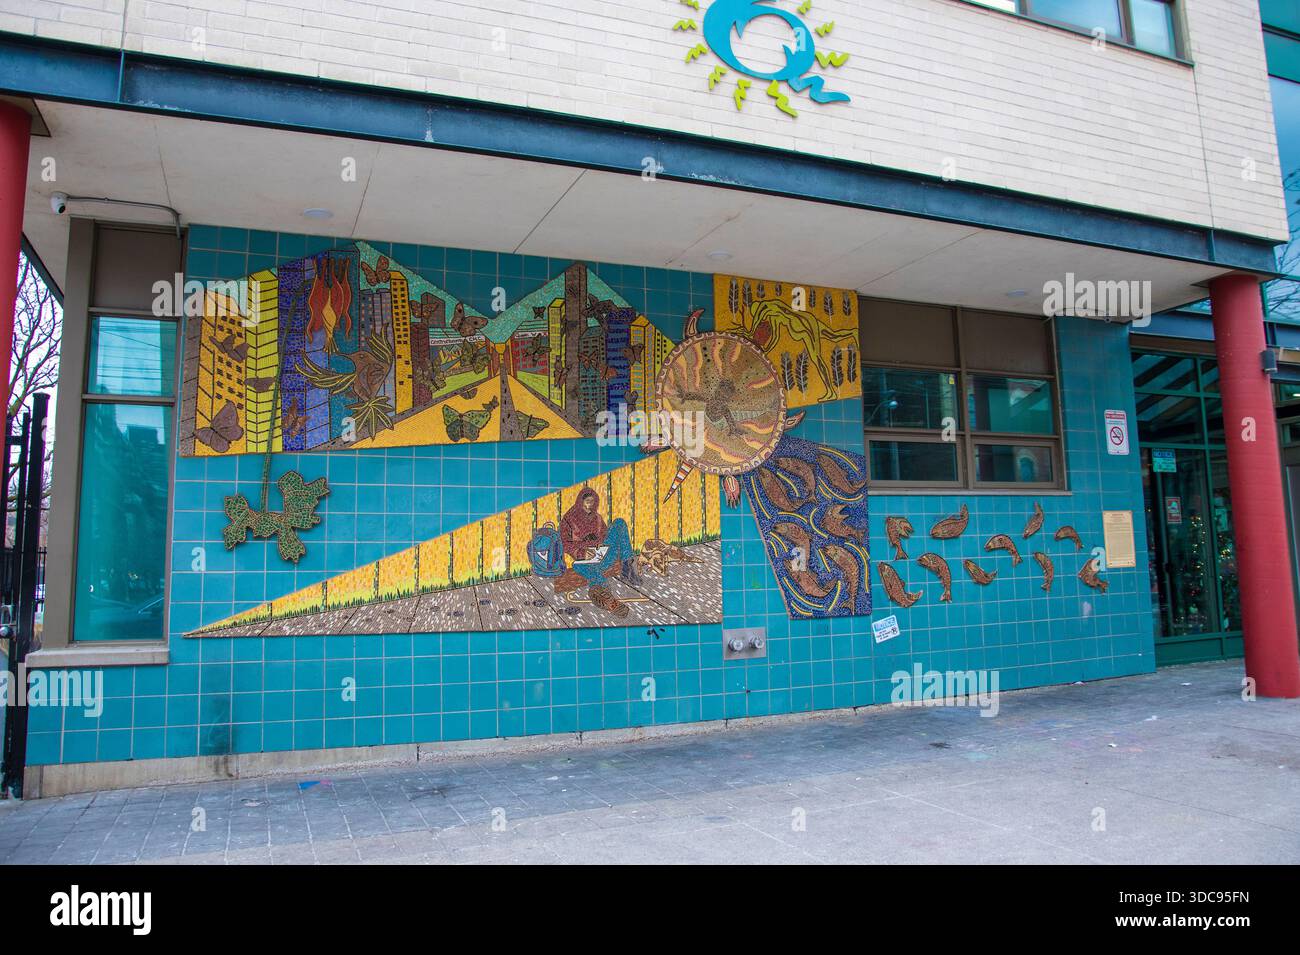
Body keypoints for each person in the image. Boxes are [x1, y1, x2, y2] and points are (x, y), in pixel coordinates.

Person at [555, 487, 642, 615]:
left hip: (602, 554)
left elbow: (606, 535)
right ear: (580, 501)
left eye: (593, 502)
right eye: (588, 501)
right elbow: (564, 543)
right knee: (584, 569)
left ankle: (627, 567)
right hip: (584, 561)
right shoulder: (568, 519)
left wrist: (602, 544)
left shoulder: (597, 517)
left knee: (619, 522)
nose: (590, 505)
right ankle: (608, 600)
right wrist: (582, 553)